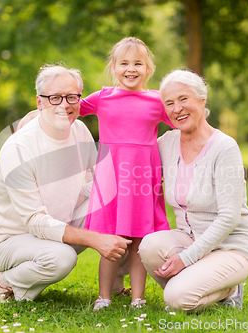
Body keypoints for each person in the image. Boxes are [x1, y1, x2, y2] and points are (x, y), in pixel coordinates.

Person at [0, 64, 131, 303]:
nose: (64, 104)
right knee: (62, 258)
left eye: (71, 97)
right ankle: (4, 282)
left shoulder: (79, 130)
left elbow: (98, 183)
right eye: (55, 98)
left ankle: (114, 283)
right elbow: (35, 221)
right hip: (10, 239)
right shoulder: (18, 149)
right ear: (39, 103)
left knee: (115, 201)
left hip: (57, 224)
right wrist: (95, 239)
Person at [138, 69, 248, 312]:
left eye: (184, 99)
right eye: (169, 103)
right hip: (189, 239)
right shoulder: (167, 143)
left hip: (230, 247)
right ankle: (199, 282)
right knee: (149, 246)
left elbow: (230, 217)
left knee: (177, 299)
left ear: (202, 100)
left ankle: (230, 289)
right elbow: (131, 163)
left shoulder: (224, 148)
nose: (177, 108)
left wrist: (186, 258)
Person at [79, 37, 173, 310]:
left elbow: (182, 122)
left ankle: (138, 299)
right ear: (114, 67)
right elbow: (70, 108)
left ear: (148, 69)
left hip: (143, 179)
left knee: (139, 242)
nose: (131, 69)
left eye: (138, 63)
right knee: (111, 239)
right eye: (124, 63)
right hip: (111, 180)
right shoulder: (103, 97)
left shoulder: (157, 101)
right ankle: (104, 296)